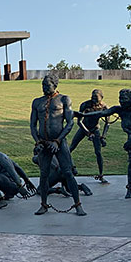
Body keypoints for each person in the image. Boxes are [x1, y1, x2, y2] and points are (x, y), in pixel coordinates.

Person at [29, 75, 86, 216]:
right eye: (42, 85)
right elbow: (32, 125)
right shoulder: (37, 102)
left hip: (60, 143)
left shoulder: (64, 99)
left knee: (68, 172)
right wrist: (37, 142)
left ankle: (78, 205)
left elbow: (70, 123)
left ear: (55, 85)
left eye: (47, 85)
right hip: (43, 143)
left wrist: (58, 141)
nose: (44, 88)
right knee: (43, 175)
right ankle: (43, 204)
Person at [70, 88, 110, 183]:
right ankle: (66, 168)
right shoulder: (85, 105)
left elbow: (107, 123)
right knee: (71, 148)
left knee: (98, 153)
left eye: (96, 98)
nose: (94, 100)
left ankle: (101, 174)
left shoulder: (105, 107)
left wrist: (103, 137)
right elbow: (79, 122)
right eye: (92, 97)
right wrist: (88, 133)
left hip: (95, 129)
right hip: (84, 128)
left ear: (102, 97)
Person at [0, 143, 36, 209]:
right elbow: (17, 167)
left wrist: (20, 186)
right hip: (11, 185)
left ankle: (0, 200)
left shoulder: (1, 157)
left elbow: (12, 171)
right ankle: (9, 195)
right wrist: (27, 180)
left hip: (13, 186)